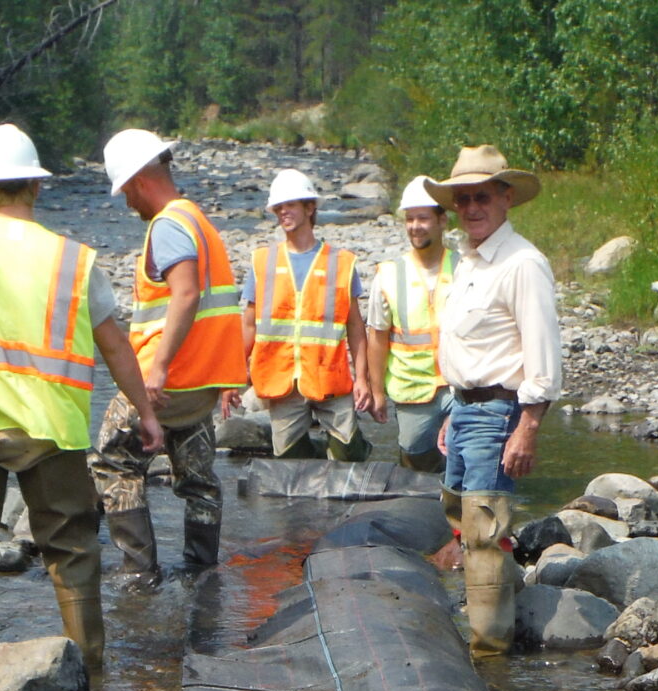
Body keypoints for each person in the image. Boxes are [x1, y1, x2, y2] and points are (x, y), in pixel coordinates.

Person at [0, 124, 161, 668]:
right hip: (52, 430)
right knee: (71, 553)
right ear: (37, 187)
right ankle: (90, 676)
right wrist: (145, 412)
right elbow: (116, 347)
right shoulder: (73, 259)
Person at [91, 128, 246, 583]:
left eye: (125, 192)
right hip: (201, 380)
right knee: (198, 477)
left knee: (112, 459)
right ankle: (203, 569)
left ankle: (140, 572)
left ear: (139, 181)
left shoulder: (168, 225)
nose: (127, 204)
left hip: (167, 380)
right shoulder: (198, 218)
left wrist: (155, 368)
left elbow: (186, 294)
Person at [428, 145, 562, 658]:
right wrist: (452, 410)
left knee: (483, 533)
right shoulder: (470, 260)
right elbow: (467, 346)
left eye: (481, 197)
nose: (470, 208)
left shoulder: (523, 264)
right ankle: (489, 612)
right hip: (465, 409)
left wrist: (528, 427)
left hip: (499, 412)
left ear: (506, 198)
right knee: (460, 515)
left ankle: (489, 654)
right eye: (461, 200)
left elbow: (543, 357)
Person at [241, 169, 377, 461]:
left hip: (329, 377)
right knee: (289, 460)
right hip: (281, 380)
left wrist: (362, 379)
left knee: (347, 455)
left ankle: (345, 451)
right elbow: (249, 324)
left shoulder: (340, 262)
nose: (283, 212)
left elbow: (355, 327)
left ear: (310, 207)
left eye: (290, 205)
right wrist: (233, 377)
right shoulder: (262, 261)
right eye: (278, 207)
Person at [361, 177, 455, 474]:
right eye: (410, 219)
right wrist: (377, 392)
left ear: (442, 220)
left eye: (423, 218)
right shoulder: (389, 275)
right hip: (412, 388)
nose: (415, 226)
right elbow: (377, 336)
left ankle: (459, 507)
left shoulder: (467, 267)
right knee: (415, 457)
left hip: (460, 386)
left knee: (466, 453)